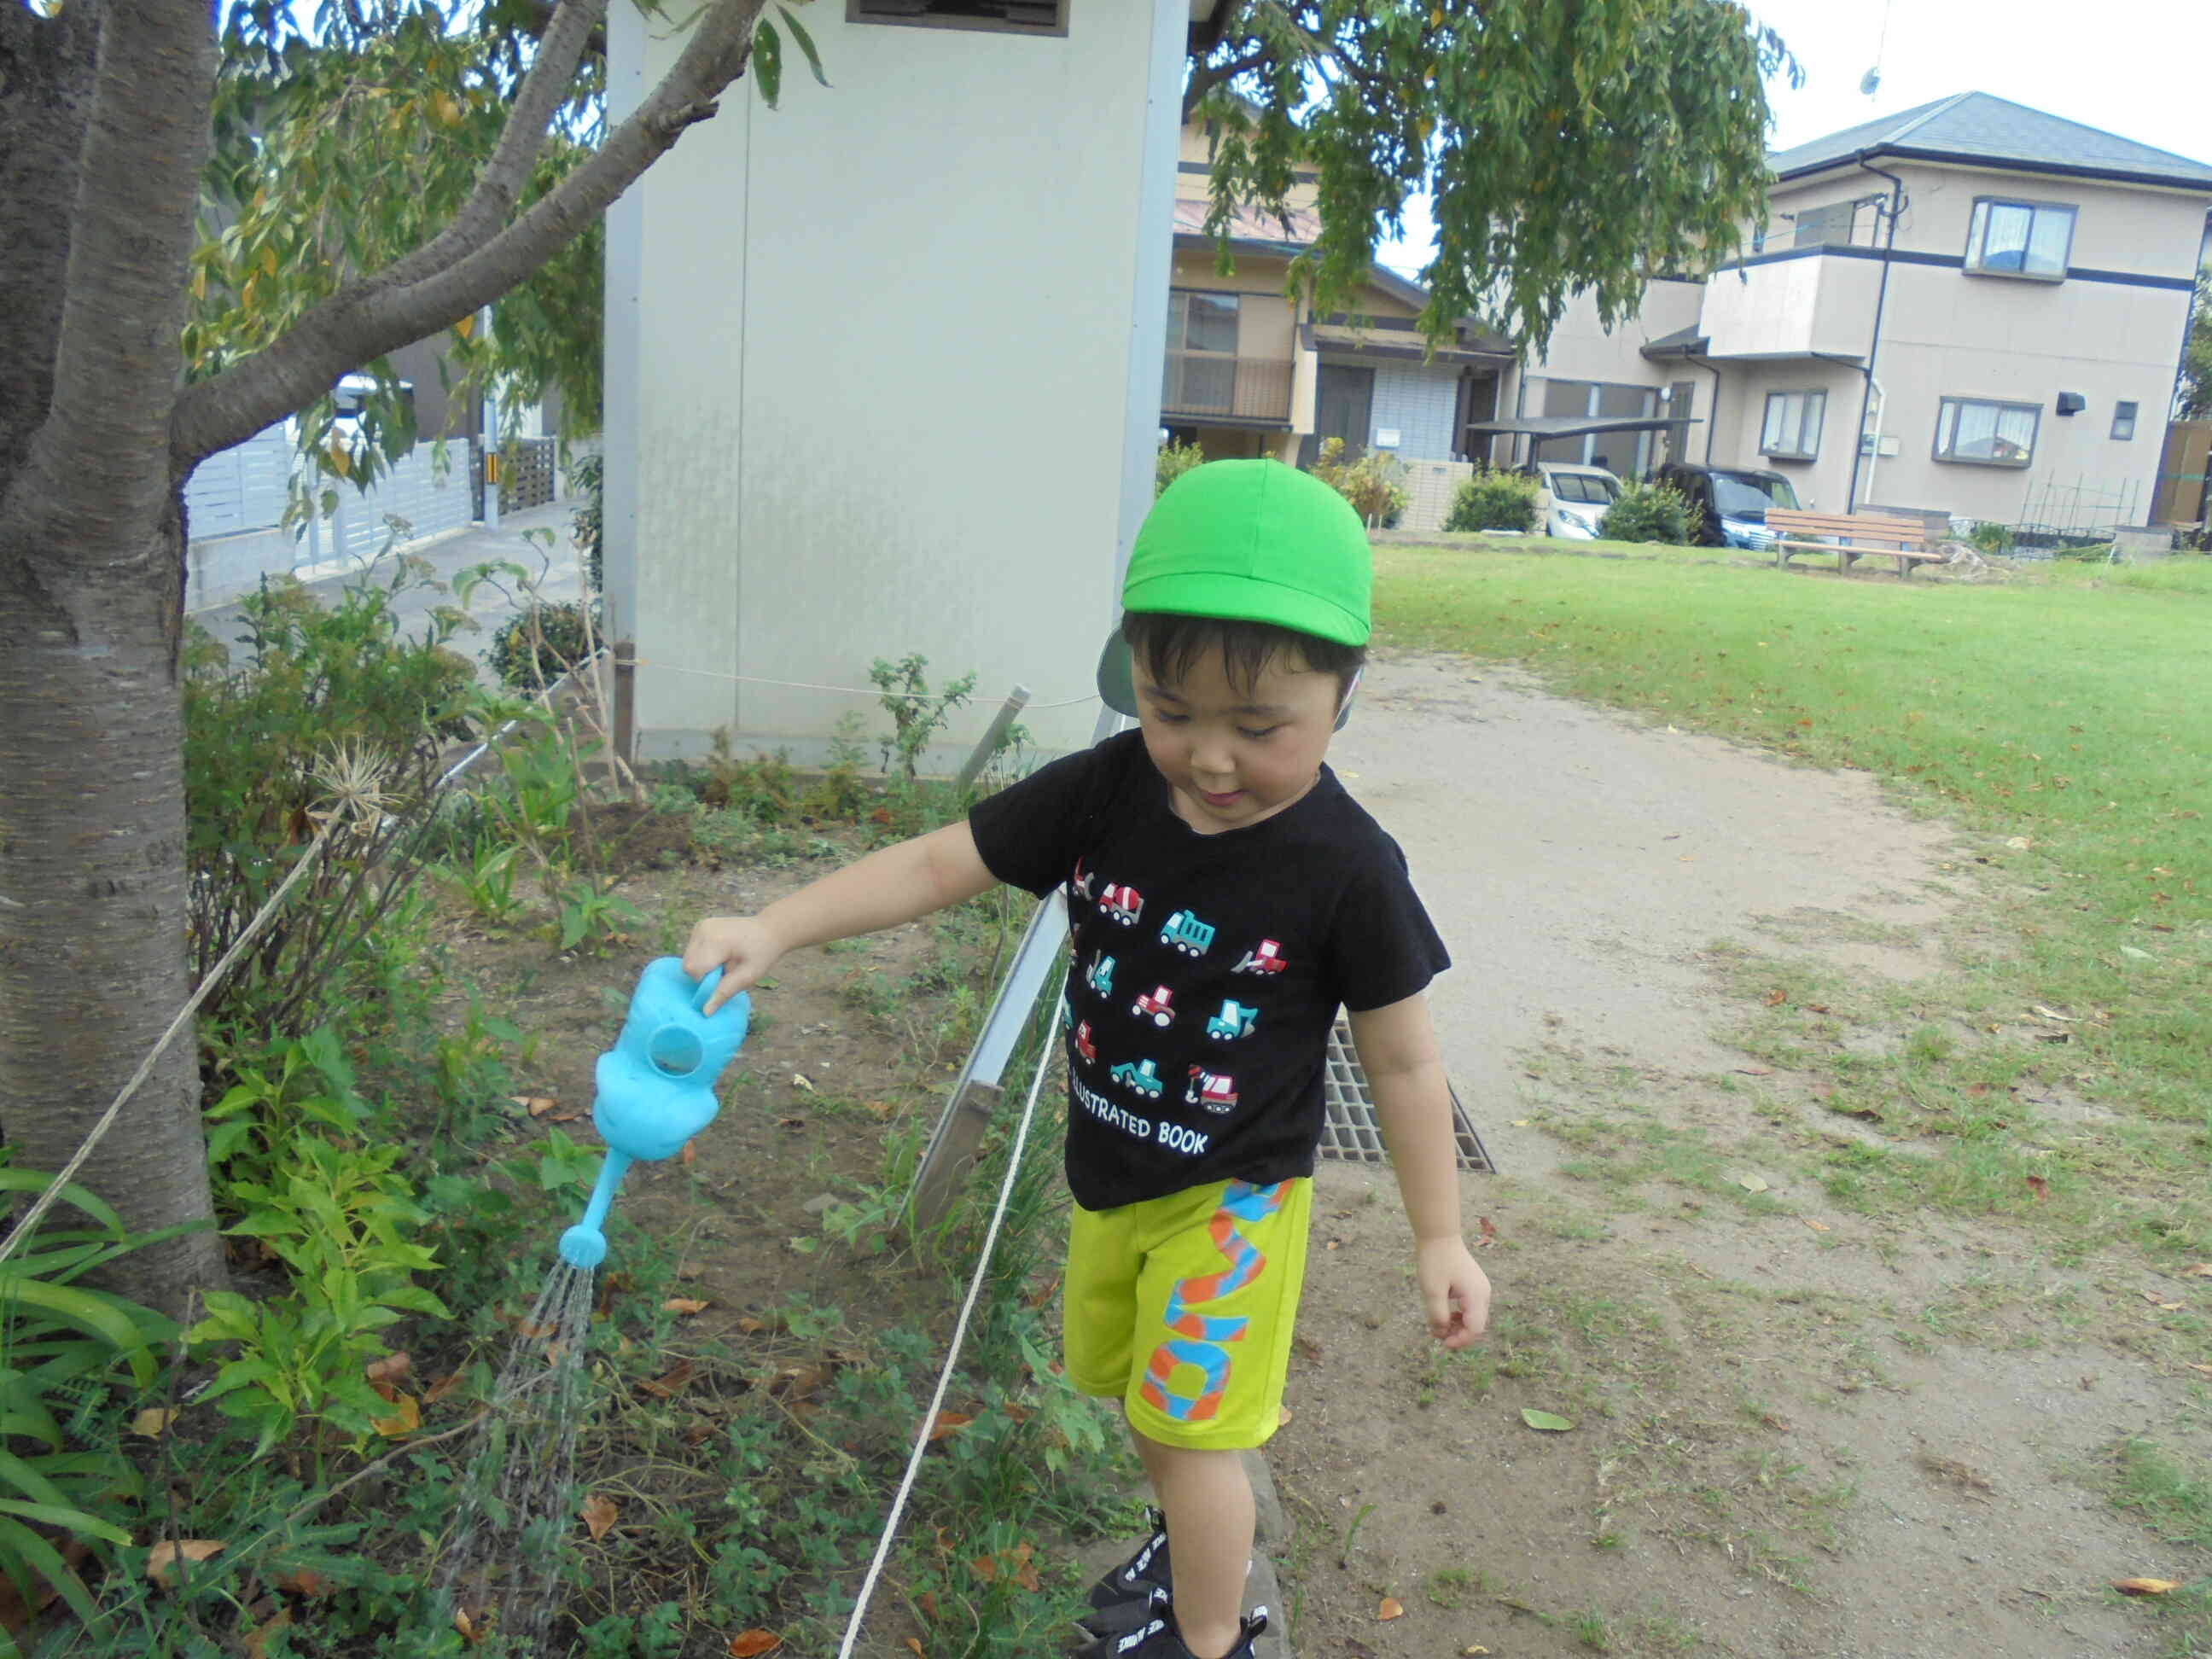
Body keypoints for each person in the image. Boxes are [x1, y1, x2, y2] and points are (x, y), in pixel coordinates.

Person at [683, 460, 1491, 1659]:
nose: (1211, 758)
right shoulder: (1110, 790)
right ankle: (1188, 1537)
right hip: (1107, 1176)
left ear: (1345, 695)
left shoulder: (1349, 867)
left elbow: (1408, 1069)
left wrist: (1440, 1234)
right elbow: (937, 866)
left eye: (1259, 727)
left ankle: (1207, 1639)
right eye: (1173, 713)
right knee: (1140, 1406)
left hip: (1233, 1203)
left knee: (1198, 1431)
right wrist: (776, 924)